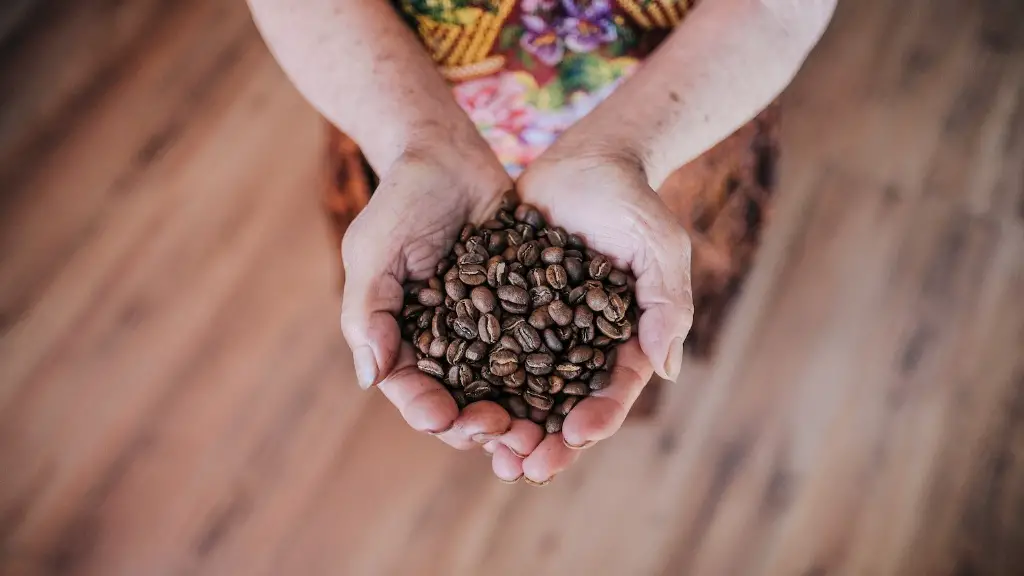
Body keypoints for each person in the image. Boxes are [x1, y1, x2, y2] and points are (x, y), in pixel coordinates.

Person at [247, 0, 836, 485]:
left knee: (648, 304)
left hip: (682, 110)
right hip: (395, 90)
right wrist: (415, 140)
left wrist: (624, 148)